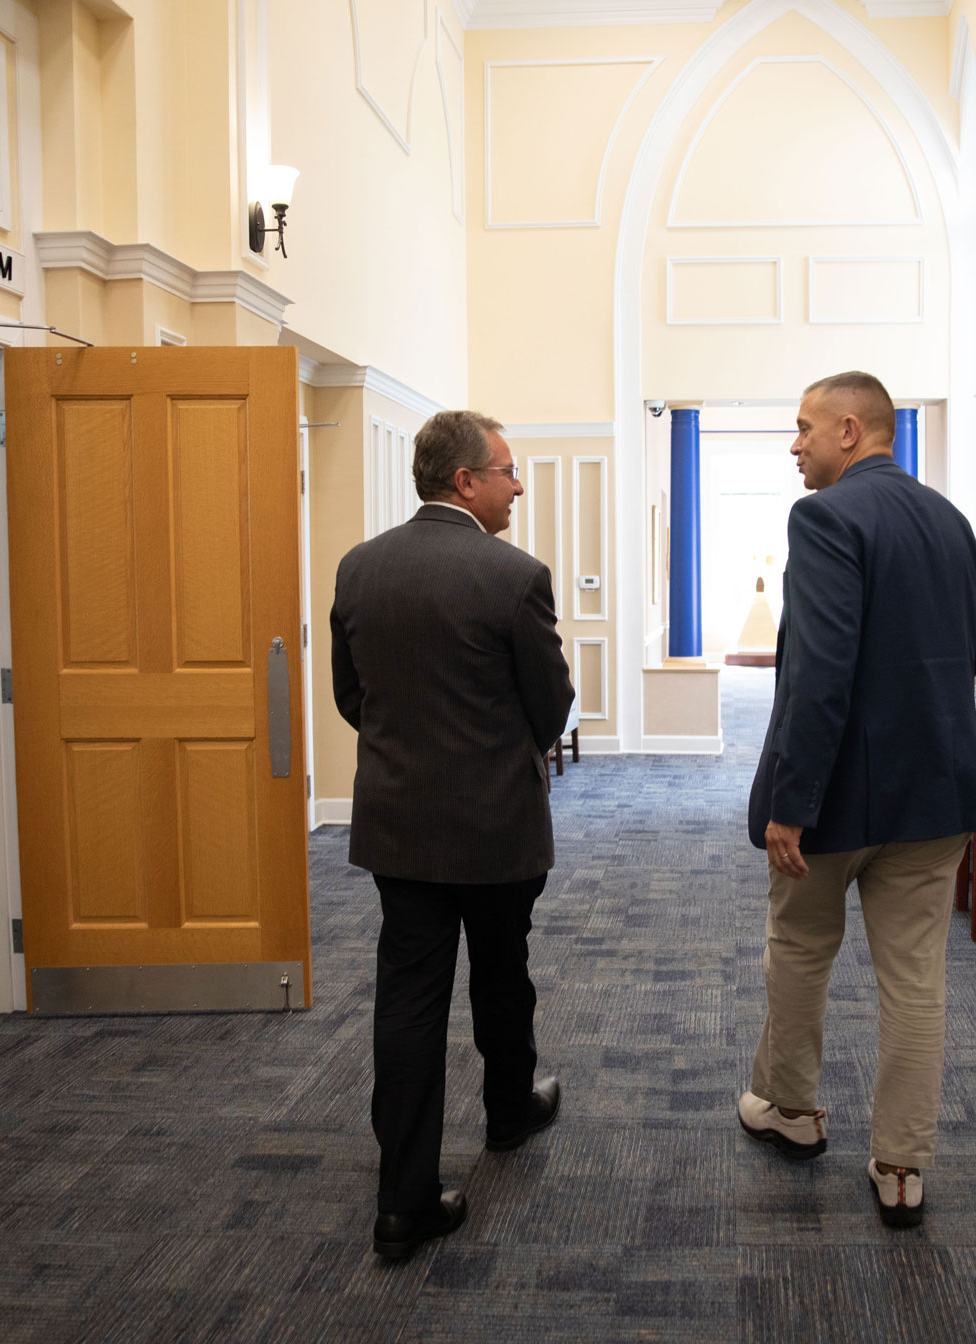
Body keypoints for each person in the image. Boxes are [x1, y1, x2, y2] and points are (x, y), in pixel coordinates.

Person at [738, 371, 976, 1229]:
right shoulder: (952, 522)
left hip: (835, 800)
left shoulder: (824, 517)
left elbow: (820, 675)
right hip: (937, 793)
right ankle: (901, 1167)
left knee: (801, 949)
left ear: (851, 431)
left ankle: (798, 1114)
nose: (795, 444)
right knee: (917, 979)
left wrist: (791, 802)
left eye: (805, 426)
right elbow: (970, 650)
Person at [330, 409, 576, 1262]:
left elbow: (350, 696)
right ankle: (509, 1110)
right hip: (496, 826)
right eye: (506, 471)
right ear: (465, 481)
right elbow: (553, 708)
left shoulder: (360, 568)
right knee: (502, 974)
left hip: (400, 827)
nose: (516, 485)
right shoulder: (513, 575)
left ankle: (403, 1199)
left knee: (407, 999)